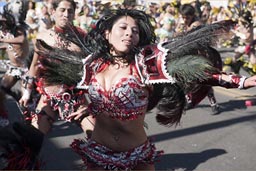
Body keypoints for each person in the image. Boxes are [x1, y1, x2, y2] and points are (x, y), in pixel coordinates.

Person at [31, 8, 256, 170]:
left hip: (136, 156)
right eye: (123, 27)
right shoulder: (92, 65)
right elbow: (56, 81)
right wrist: (80, 109)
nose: (130, 33)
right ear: (107, 34)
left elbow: (196, 72)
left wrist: (243, 82)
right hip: (97, 152)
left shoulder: (147, 64)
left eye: (135, 30)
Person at [19, 0, 95, 139]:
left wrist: (95, 102)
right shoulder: (43, 37)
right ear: (53, 12)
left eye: (70, 11)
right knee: (33, 139)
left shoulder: (82, 37)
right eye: (62, 10)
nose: (66, 14)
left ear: (74, 14)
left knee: (97, 138)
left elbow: (93, 68)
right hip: (49, 96)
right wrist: (27, 92)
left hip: (76, 97)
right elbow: (35, 66)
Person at [176, 3, 221, 115]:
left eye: (187, 17)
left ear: (192, 15)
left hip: (202, 56)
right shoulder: (185, 23)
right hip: (189, 55)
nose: (185, 19)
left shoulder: (196, 24)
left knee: (205, 81)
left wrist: (182, 33)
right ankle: (190, 100)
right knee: (182, 79)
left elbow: (190, 40)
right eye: (183, 17)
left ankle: (214, 103)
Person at [0, 0, 29, 101]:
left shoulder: (18, 28)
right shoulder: (10, 30)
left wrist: (3, 40)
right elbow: (10, 46)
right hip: (14, 68)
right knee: (2, 88)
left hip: (24, 68)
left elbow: (21, 39)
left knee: (25, 97)